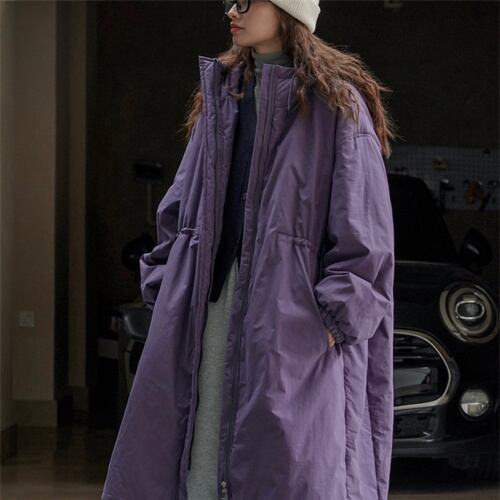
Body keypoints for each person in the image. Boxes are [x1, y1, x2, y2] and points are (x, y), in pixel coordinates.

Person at [101, 1, 398, 499]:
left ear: (287, 10)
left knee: (281, 469)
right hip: (207, 314)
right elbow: (179, 209)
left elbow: (366, 239)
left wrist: (325, 325)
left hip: (286, 329)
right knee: (194, 461)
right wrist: (167, 287)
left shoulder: (335, 105)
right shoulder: (224, 94)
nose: (231, 11)